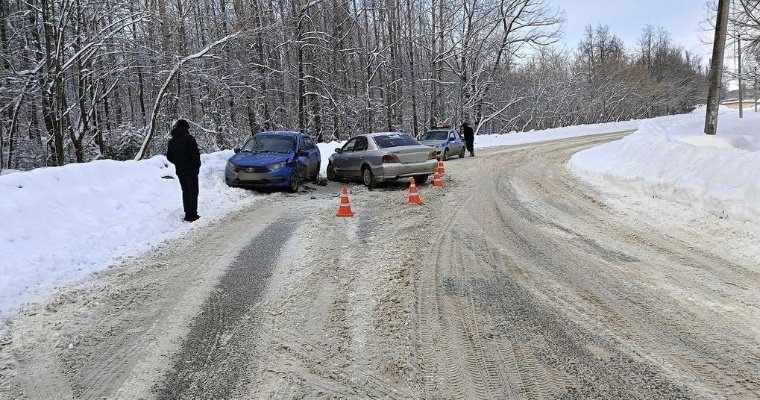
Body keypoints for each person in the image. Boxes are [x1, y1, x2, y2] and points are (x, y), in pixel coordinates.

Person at [166, 119, 201, 222]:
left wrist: (178, 162)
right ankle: (193, 215)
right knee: (193, 192)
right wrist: (196, 166)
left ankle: (187, 214)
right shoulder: (189, 139)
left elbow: (169, 156)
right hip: (191, 170)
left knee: (185, 191)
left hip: (180, 170)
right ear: (186, 128)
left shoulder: (172, 141)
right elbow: (195, 155)